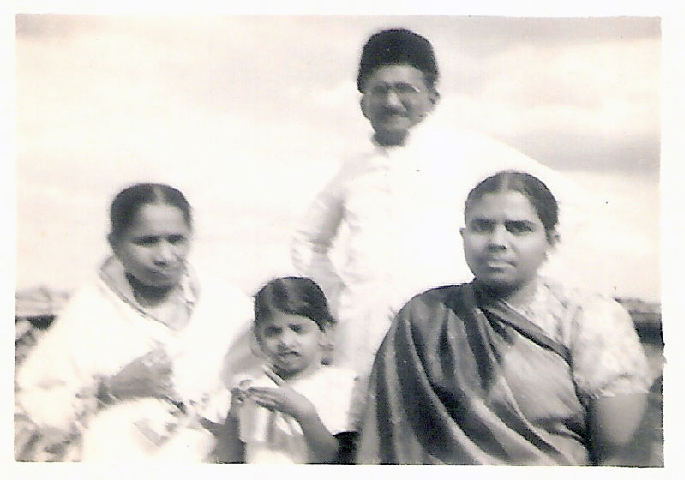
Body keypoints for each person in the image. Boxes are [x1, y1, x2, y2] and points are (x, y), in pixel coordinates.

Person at [291, 28, 586, 397]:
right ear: (362, 101)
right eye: (380, 90)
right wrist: (339, 297)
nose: (393, 102)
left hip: (453, 329)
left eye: (406, 90)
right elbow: (307, 241)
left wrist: (507, 284)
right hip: (362, 337)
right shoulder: (353, 169)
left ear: (432, 98)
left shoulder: (469, 150)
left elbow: (571, 203)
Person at [356, 171, 652, 465]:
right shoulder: (423, 317)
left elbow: (620, 454)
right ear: (463, 236)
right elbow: (389, 441)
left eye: (519, 228)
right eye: (482, 227)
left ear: (551, 241)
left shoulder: (589, 318)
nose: (497, 241)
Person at [14, 183, 253, 462]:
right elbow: (32, 408)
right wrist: (111, 390)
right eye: (147, 241)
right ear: (115, 243)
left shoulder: (226, 305)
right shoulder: (90, 311)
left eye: (175, 240)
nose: (164, 256)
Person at [213, 277, 358, 464]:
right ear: (258, 337)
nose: (286, 342)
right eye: (273, 332)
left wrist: (304, 414)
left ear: (325, 332)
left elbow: (337, 460)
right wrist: (233, 417)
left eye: (298, 329)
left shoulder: (342, 387)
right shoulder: (250, 385)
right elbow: (228, 460)